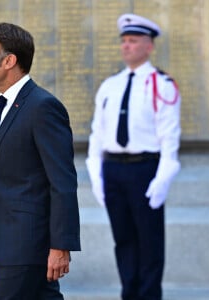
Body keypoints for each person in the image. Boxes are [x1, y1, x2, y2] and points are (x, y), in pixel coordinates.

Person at [0, 22, 80, 299]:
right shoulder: (4, 105)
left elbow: (63, 181)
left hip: (25, 245)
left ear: (9, 61)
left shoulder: (42, 107)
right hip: (11, 242)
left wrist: (61, 246)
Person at [86, 13, 181, 300]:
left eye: (134, 41)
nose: (127, 46)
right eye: (124, 41)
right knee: (123, 240)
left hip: (145, 169)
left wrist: (163, 178)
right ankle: (129, 294)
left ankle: (149, 295)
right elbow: (97, 134)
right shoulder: (110, 86)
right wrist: (96, 174)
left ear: (149, 46)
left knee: (149, 242)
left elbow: (169, 137)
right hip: (114, 169)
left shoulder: (162, 84)